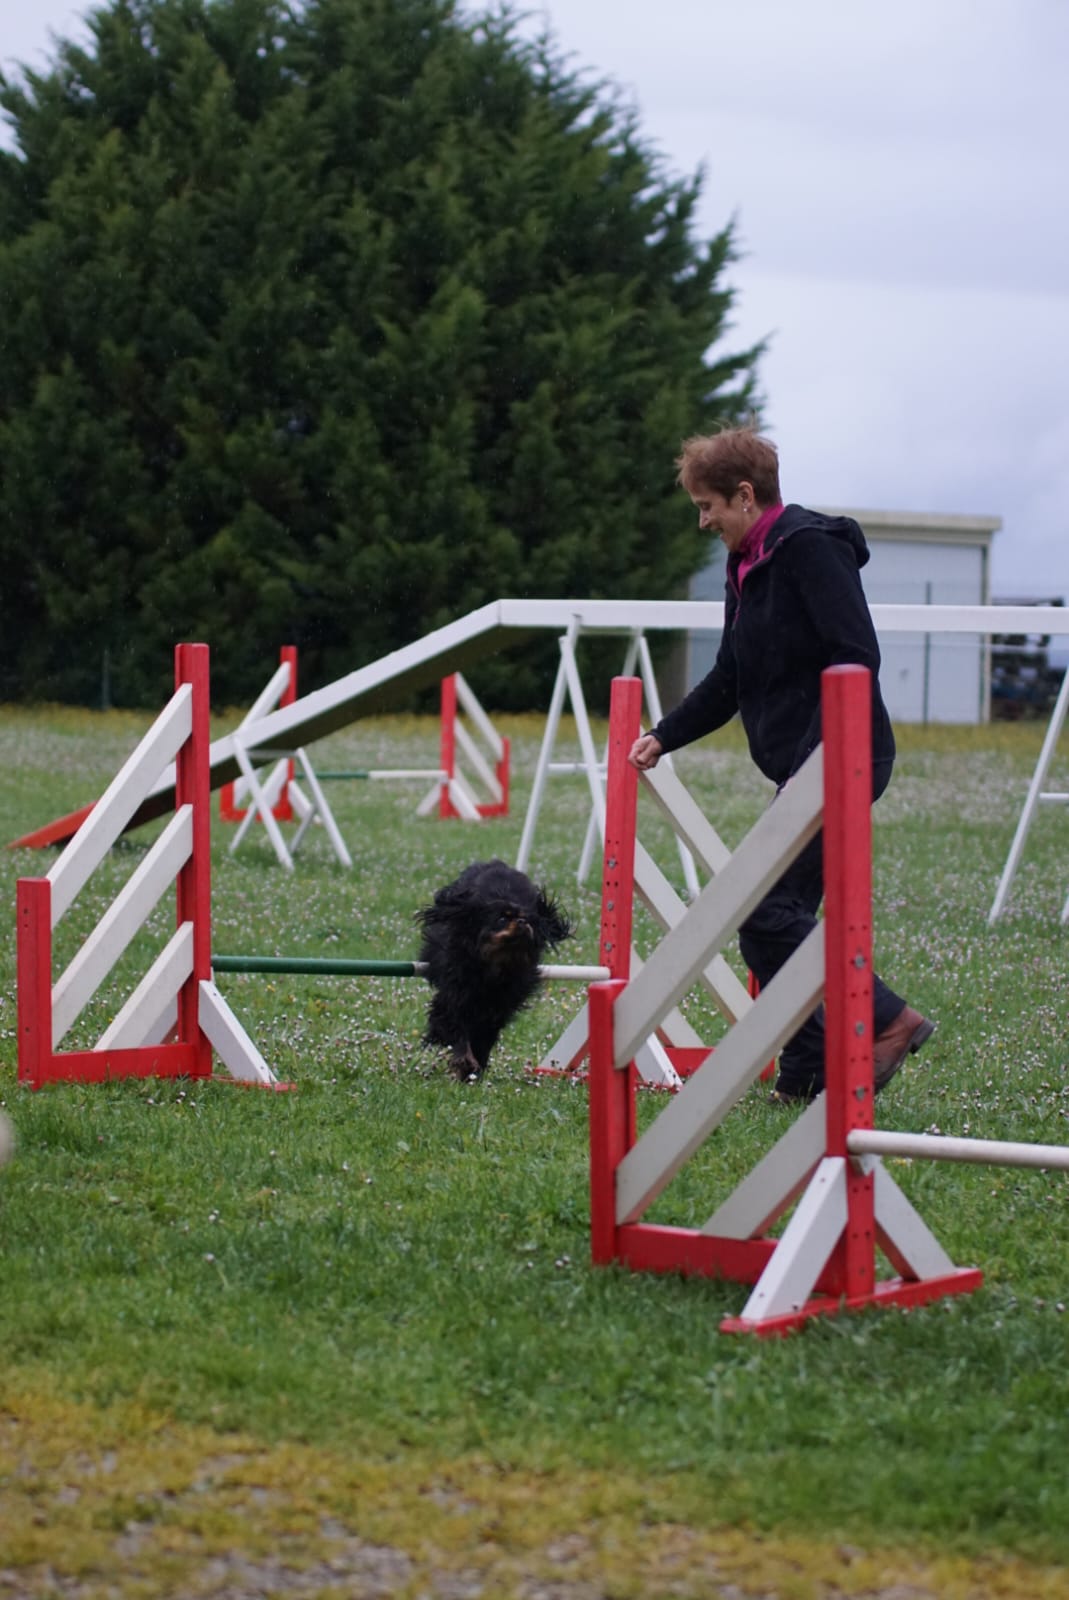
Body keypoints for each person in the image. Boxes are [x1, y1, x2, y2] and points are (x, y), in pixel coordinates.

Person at [629, 425, 933, 1104]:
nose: (703, 521)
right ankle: (803, 1073)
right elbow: (730, 676)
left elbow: (854, 655)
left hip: (842, 757)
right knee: (769, 922)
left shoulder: (808, 551)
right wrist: (664, 734)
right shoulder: (747, 563)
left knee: (764, 909)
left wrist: (814, 763)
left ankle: (890, 1020)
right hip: (805, 766)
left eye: (707, 506)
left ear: (744, 495)